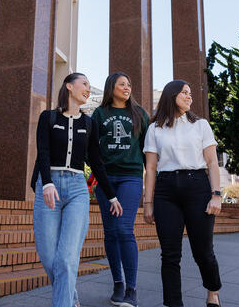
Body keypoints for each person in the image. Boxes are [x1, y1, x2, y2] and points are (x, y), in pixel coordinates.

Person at [31, 72, 123, 307]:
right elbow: (43, 152)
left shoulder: (89, 124)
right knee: (49, 256)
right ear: (69, 86)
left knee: (67, 259)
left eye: (90, 86)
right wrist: (48, 182)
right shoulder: (48, 117)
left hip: (76, 189)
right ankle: (70, 298)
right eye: (84, 84)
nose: (88, 89)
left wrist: (111, 195)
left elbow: (96, 161)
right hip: (49, 186)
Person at [143, 80, 223, 307]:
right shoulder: (155, 128)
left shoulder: (200, 125)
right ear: (171, 96)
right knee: (169, 254)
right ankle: (173, 303)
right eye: (184, 93)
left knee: (203, 251)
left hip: (197, 187)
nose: (189, 97)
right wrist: (148, 202)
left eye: (190, 93)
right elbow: (150, 168)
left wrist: (216, 194)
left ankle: (213, 292)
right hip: (166, 191)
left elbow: (212, 163)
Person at [91, 73, 150, 307]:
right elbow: (91, 148)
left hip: (130, 178)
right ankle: (118, 282)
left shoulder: (140, 114)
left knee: (124, 229)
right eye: (122, 84)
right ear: (111, 87)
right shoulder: (99, 114)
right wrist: (95, 171)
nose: (127, 87)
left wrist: (151, 185)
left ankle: (132, 289)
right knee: (110, 232)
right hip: (105, 180)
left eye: (129, 84)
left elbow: (148, 150)